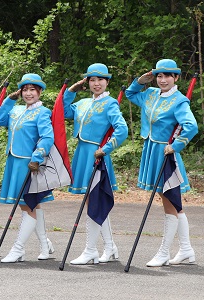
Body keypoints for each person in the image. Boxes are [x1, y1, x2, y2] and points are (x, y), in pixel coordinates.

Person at [125, 58, 198, 267]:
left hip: (165, 154)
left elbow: (191, 126)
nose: (162, 79)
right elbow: (130, 94)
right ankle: (186, 250)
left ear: (176, 77)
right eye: (159, 75)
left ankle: (164, 252)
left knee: (169, 203)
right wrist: (140, 81)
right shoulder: (149, 94)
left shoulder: (179, 100)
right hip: (151, 151)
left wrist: (176, 146)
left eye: (167, 75)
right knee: (174, 203)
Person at [63, 63, 128, 265]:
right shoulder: (82, 103)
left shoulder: (110, 104)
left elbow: (122, 129)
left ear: (107, 82)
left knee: (94, 201)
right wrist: (71, 91)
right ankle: (109, 247)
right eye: (92, 80)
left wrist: (106, 149)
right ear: (87, 82)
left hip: (97, 156)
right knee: (94, 202)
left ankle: (90, 250)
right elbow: (64, 111)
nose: (96, 83)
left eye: (100, 79)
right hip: (82, 154)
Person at [0, 73, 55, 263]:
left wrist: (37, 157)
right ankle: (45, 245)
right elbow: (0, 119)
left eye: (32, 90)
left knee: (26, 204)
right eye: (25, 90)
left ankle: (18, 248)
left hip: (28, 163)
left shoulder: (43, 112)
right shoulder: (17, 110)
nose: (28, 94)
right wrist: (9, 99)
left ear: (39, 91)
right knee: (30, 205)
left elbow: (47, 137)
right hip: (14, 161)